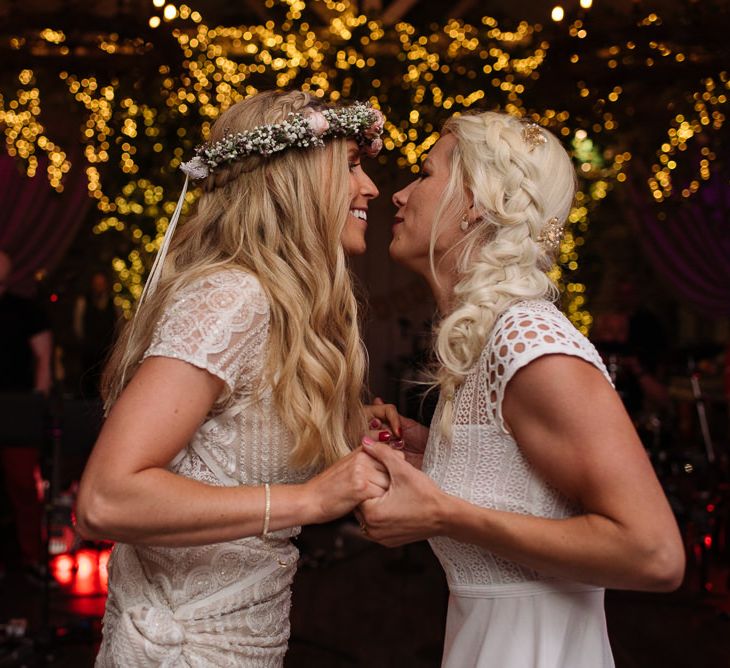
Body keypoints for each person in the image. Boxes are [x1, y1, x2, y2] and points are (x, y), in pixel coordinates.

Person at [358, 112, 685, 668]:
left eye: (425, 173)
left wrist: (445, 514)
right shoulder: (485, 339)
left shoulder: (529, 339)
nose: (400, 194)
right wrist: (431, 454)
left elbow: (654, 555)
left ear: (479, 202)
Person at [76, 90, 388, 667]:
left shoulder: (275, 305)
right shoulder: (232, 297)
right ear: (292, 179)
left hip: (250, 641)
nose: (369, 187)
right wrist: (309, 499)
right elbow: (106, 498)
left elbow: (231, 443)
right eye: (349, 165)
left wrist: (355, 425)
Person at [0, 249, 52, 583]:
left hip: (16, 408)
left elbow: (44, 358)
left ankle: (32, 559)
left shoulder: (24, 310)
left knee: (22, 486)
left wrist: (38, 402)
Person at [73, 271, 120, 398]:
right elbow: (78, 325)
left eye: (101, 283)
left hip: (106, 347)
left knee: (105, 377)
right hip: (89, 348)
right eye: (96, 284)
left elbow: (118, 323)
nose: (99, 286)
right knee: (88, 377)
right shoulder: (83, 301)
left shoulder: (112, 302)